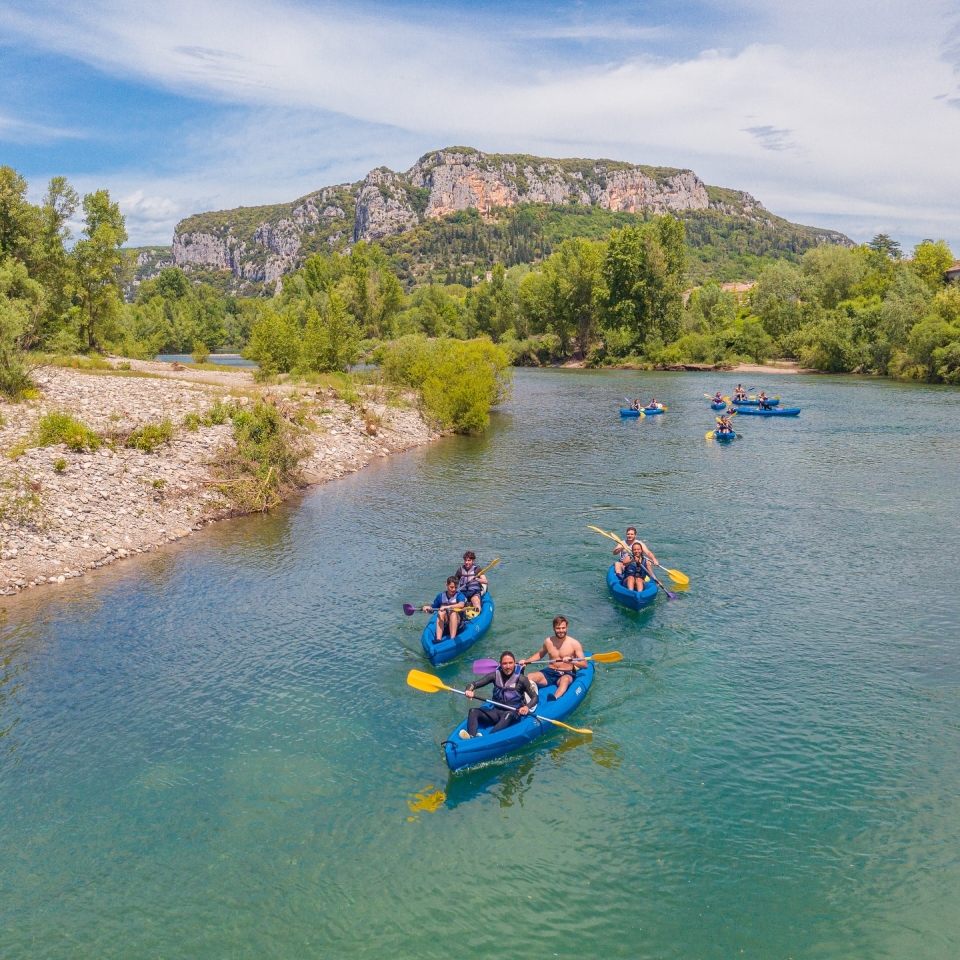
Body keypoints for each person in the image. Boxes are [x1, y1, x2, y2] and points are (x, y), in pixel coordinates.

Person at [461, 651, 538, 738]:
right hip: (496, 711)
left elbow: (535, 697)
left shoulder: (522, 679)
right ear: (500, 664)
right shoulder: (494, 676)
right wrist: (469, 690)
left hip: (513, 713)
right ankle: (471, 737)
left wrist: (526, 707)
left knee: (507, 714)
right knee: (473, 711)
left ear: (514, 663)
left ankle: (488, 738)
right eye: (505, 663)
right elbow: (474, 684)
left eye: (510, 663)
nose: (508, 666)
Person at [521, 617, 587, 701]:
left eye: (563, 628)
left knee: (565, 680)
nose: (561, 630)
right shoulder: (548, 641)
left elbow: (584, 665)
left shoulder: (574, 643)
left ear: (567, 628)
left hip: (566, 673)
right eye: (558, 628)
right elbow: (539, 654)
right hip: (550, 672)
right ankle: (525, 698)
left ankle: (555, 698)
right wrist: (526, 662)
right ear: (554, 628)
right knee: (530, 676)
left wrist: (572, 661)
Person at [422, 576, 466, 642]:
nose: (453, 589)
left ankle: (452, 639)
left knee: (452, 612)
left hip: (458, 624)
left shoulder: (459, 595)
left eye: (455, 587)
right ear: (446, 585)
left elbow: (461, 605)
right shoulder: (440, 596)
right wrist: (427, 608)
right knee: (441, 612)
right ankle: (438, 639)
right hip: (446, 624)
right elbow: (432, 609)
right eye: (451, 587)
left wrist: (447, 607)